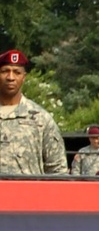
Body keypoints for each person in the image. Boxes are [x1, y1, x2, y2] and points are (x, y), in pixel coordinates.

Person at [0, 48, 68, 176]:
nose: (10, 77)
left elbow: (58, 170)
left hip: (27, 194)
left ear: (23, 77)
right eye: (5, 71)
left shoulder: (40, 118)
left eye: (17, 72)